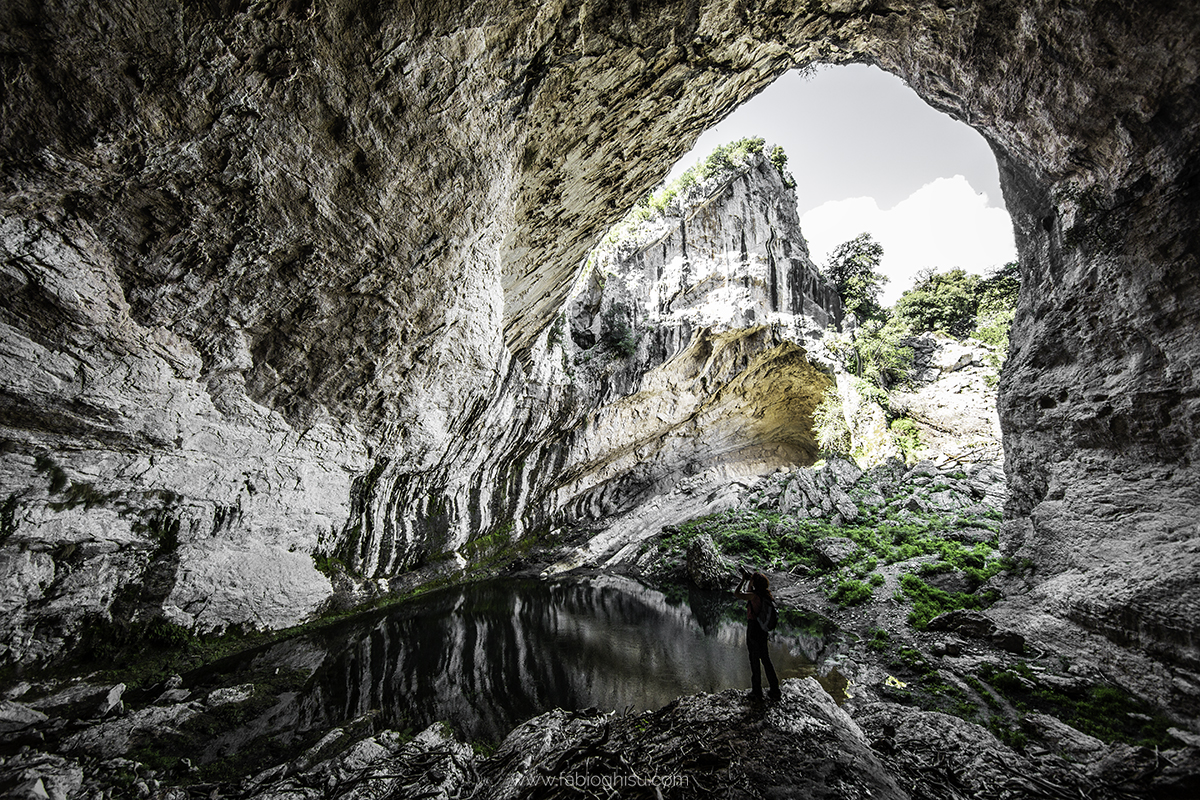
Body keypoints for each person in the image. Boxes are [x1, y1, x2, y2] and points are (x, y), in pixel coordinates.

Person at [735, 567, 781, 702]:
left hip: (754, 630)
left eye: (752, 581)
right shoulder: (766, 594)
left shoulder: (754, 596)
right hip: (762, 631)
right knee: (766, 660)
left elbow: (737, 593)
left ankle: (757, 692)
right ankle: (775, 690)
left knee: (754, 660)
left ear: (755, 584)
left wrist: (743, 580)